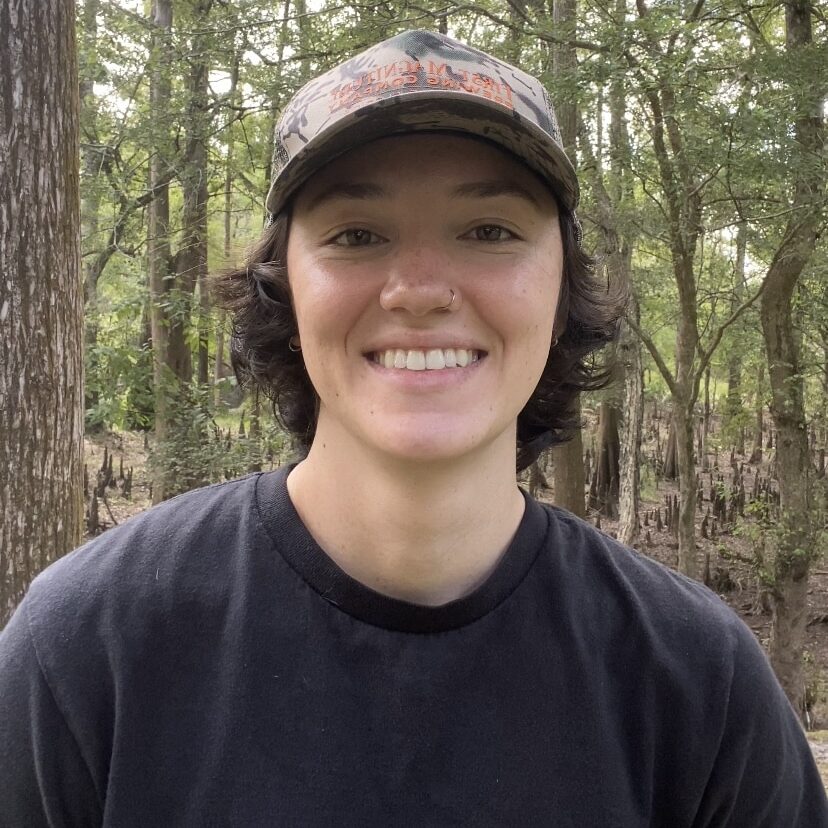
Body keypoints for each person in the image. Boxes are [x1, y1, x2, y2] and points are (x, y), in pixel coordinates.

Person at [0, 29, 825, 827]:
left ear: (561, 290)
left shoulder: (697, 679)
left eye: (490, 232)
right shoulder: (89, 647)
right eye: (356, 236)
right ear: (284, 290)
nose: (420, 290)